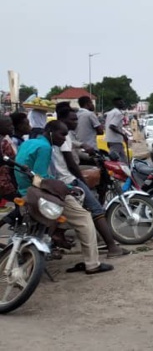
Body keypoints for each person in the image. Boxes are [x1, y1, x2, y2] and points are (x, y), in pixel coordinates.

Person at [16, 121, 113, 274]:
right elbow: (41, 177)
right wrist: (68, 188)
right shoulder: (45, 148)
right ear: (49, 132)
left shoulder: (29, 143)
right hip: (42, 192)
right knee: (84, 218)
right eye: (62, 134)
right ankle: (92, 264)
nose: (64, 138)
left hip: (24, 192)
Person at [55, 107, 129, 258]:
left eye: (76, 119)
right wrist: (82, 181)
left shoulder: (64, 135)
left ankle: (59, 237)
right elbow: (71, 163)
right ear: (62, 120)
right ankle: (112, 248)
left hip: (64, 177)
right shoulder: (62, 136)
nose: (76, 122)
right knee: (96, 209)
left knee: (73, 211)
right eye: (72, 119)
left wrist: (83, 147)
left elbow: (73, 148)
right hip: (68, 178)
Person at [104, 98, 129, 163]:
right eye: (121, 102)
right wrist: (123, 135)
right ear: (116, 104)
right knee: (115, 161)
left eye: (123, 102)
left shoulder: (110, 112)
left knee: (123, 161)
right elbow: (112, 126)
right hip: (115, 141)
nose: (123, 103)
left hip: (111, 140)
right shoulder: (118, 113)